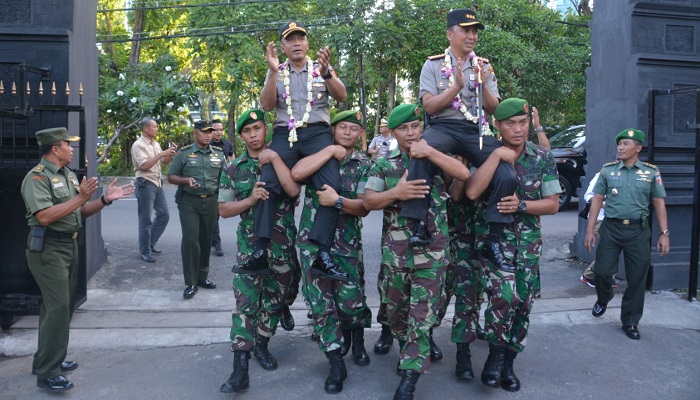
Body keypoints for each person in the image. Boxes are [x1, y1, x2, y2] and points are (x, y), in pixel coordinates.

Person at [363, 104, 469, 400]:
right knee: (396, 311)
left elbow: (462, 173)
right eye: (403, 129)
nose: (411, 133)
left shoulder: (437, 157)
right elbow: (369, 201)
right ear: (393, 133)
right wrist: (396, 193)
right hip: (397, 254)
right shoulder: (384, 165)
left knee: (421, 315)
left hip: (433, 253)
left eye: (415, 126)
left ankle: (409, 377)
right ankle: (406, 344)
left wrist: (430, 153)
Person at [403, 8, 518, 275]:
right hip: (444, 126)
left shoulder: (484, 66)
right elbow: (429, 107)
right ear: (450, 34)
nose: (472, 36)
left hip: (475, 129)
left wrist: (483, 84)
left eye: (475, 31)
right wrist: (456, 86)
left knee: (507, 170)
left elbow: (494, 110)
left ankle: (493, 241)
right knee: (421, 150)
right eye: (466, 30)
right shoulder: (432, 65)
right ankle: (419, 224)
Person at [233, 21, 348, 281]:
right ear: (283, 47)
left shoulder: (321, 70)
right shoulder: (277, 71)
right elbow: (266, 105)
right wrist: (272, 72)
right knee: (266, 183)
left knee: (332, 185)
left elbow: (341, 96)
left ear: (307, 44)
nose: (296, 43)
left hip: (318, 133)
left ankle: (323, 254)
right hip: (287, 134)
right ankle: (260, 251)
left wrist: (328, 72)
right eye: (290, 39)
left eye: (301, 38)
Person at [21, 127, 134, 392]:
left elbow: (80, 212)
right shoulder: (37, 178)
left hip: (68, 246)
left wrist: (105, 199)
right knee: (58, 307)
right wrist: (82, 196)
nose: (73, 149)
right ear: (55, 148)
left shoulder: (68, 175)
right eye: (68, 145)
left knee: (61, 307)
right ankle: (49, 371)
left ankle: (46, 359)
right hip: (47, 248)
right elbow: (45, 216)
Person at [465, 98, 560, 392]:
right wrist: (495, 159)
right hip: (495, 244)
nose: (517, 129)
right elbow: (471, 192)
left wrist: (521, 206)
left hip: (528, 248)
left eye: (522, 123)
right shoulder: (483, 152)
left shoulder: (542, 157)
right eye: (510, 123)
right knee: (503, 299)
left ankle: (509, 364)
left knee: (523, 306)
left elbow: (553, 204)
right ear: (498, 125)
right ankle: (493, 359)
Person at [290, 110, 373, 393]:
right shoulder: (319, 154)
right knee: (321, 307)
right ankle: (336, 362)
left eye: (354, 129)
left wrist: (338, 201)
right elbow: (297, 173)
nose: (348, 133)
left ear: (360, 134)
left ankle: (357, 336)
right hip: (312, 242)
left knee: (351, 303)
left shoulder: (364, 164)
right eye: (343, 127)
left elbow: (363, 206)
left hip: (346, 243)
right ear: (333, 130)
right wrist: (328, 151)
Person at [218, 110, 300, 394]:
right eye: (247, 131)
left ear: (267, 130)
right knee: (245, 304)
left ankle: (262, 343)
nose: (253, 134)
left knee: (276, 300)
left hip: (283, 245)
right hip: (249, 247)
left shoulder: (285, 159)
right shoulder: (234, 168)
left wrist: (276, 161)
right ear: (241, 136)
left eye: (257, 128)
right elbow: (224, 209)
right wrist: (250, 200)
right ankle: (240, 368)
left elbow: (293, 192)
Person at [585, 128, 670, 340]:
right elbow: (596, 199)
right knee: (602, 272)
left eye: (625, 144)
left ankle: (630, 321)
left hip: (638, 231)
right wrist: (590, 230)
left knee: (637, 278)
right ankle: (604, 298)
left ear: (638, 148)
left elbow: (659, 203)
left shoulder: (651, 172)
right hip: (611, 229)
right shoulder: (608, 170)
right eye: (619, 144)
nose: (620, 148)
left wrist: (664, 233)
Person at [167, 120, 224, 299]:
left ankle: (202, 277)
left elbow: (224, 180)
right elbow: (171, 177)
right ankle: (191, 282)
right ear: (195, 134)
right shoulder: (184, 154)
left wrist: (222, 202)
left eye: (210, 132)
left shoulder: (219, 155)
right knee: (191, 240)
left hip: (211, 202)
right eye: (204, 132)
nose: (208, 135)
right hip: (189, 202)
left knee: (206, 240)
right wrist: (185, 181)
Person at [131, 117, 176, 263]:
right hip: (145, 184)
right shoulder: (138, 145)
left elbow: (163, 162)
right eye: (154, 127)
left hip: (157, 183)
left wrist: (169, 153)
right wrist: (161, 154)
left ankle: (150, 244)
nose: (156, 129)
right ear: (146, 128)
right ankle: (145, 251)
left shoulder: (155, 143)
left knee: (164, 215)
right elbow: (144, 166)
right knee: (145, 220)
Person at [579, 172, 612, 288]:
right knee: (610, 249)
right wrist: (605, 205)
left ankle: (607, 277)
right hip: (600, 218)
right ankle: (589, 275)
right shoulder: (602, 174)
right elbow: (588, 196)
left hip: (616, 219)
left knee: (613, 248)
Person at [210, 119, 233, 257]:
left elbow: (232, 159)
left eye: (220, 129)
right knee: (214, 214)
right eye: (216, 130)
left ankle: (212, 240)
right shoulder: (207, 145)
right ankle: (216, 243)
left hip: (223, 183)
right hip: (212, 183)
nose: (219, 132)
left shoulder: (227, 144)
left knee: (218, 213)